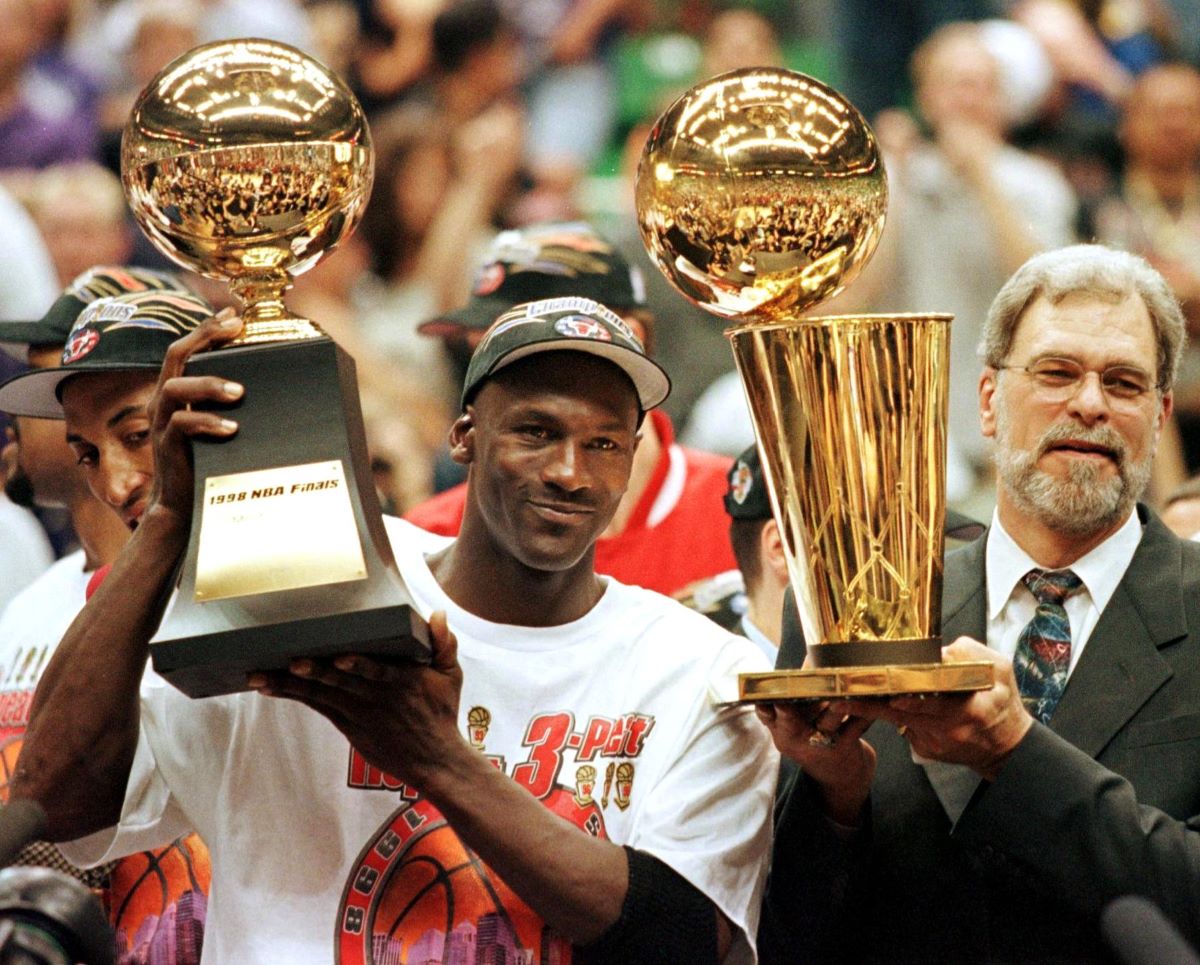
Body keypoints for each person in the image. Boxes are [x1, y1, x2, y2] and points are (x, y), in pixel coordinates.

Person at [10, 296, 777, 963]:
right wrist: (171, 518)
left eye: (603, 443)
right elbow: (57, 799)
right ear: (464, 436)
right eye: (536, 432)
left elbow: (680, 939)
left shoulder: (699, 667)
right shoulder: (316, 585)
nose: (570, 472)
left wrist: (437, 759)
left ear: (634, 455)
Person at [757, 244, 1200, 963]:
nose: (1090, 403)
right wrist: (835, 796)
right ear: (988, 399)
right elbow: (789, 932)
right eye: (1057, 372)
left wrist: (1018, 756)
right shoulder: (852, 608)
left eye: (1123, 383)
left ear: (1159, 414)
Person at [0, 281, 216, 965]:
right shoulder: (33, 605)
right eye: (87, 448)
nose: (118, 479)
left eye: (135, 434)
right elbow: (54, 810)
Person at [407, 220, 739, 597]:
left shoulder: (745, 512)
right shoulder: (429, 535)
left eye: (519, 340)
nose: (488, 366)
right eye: (478, 346)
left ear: (631, 337)